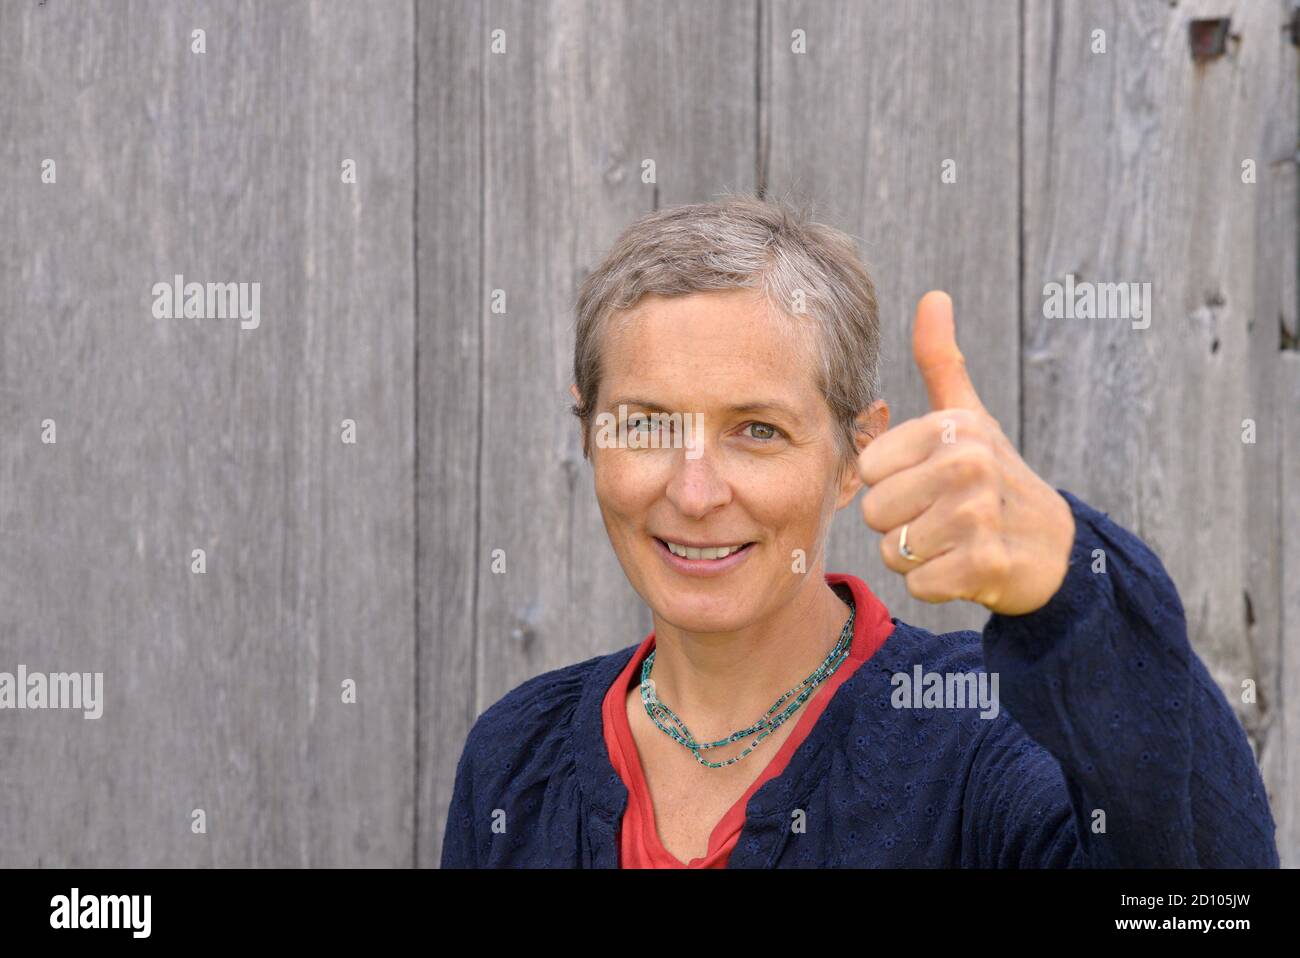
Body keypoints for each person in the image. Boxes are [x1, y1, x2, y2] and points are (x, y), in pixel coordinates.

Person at [440, 194, 1279, 868]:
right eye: (647, 425)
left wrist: (1078, 587)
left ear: (855, 455)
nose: (694, 493)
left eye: (757, 430)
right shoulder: (517, 755)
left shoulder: (981, 737)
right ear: (590, 436)